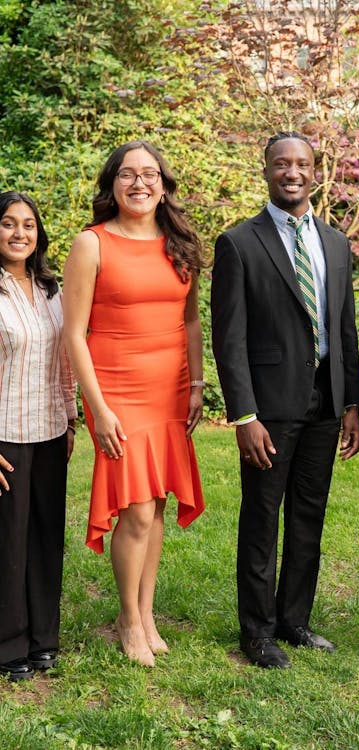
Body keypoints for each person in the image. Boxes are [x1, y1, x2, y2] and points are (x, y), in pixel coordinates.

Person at [211, 131, 359, 670]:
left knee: (308, 515)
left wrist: (352, 404)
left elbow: (344, 327)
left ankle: (294, 619)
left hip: (325, 403)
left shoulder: (337, 243)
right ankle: (257, 631)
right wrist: (244, 414)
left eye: (301, 164)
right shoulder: (239, 243)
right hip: (269, 408)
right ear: (267, 170)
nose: (291, 172)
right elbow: (228, 339)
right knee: (261, 518)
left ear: (314, 171)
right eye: (281, 164)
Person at [63, 141, 207, 667]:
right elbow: (74, 334)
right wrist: (96, 408)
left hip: (169, 391)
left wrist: (195, 385)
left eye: (150, 174)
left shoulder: (180, 243)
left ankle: (146, 613)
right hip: (118, 393)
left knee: (159, 503)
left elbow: (190, 320)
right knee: (137, 510)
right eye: (128, 174)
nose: (140, 183)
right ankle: (126, 618)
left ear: (164, 186)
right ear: (113, 184)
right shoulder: (91, 244)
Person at [0, 192, 77, 681]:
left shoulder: (53, 288)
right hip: (4, 433)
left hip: (50, 430)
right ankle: (9, 643)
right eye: (8, 224)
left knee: (47, 537)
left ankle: (43, 638)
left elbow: (66, 360)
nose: (19, 233)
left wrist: (70, 419)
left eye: (28, 224)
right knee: (9, 540)